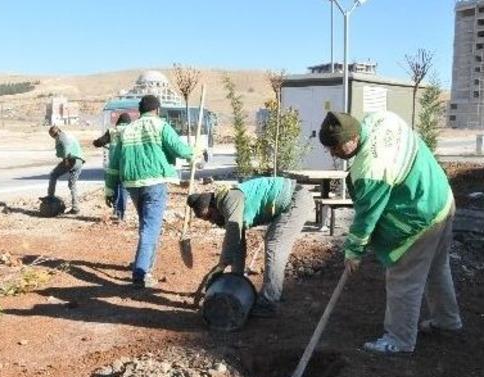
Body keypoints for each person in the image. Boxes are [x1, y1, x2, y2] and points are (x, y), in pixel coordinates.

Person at [318, 110, 462, 354]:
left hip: (420, 218)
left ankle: (399, 339)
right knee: (437, 268)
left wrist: (354, 250)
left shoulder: (370, 168)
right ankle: (447, 321)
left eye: (336, 147)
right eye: (329, 149)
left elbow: (367, 216)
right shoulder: (382, 119)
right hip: (442, 200)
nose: (333, 153)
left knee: (403, 278)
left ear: (352, 138)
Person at [187, 176, 314, 317]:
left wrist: (221, 266)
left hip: (295, 200)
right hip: (292, 201)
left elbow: (233, 234)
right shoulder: (225, 210)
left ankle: (269, 301)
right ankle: (272, 293)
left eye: (210, 215)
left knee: (274, 243)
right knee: (271, 241)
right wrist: (235, 280)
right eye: (207, 219)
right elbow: (238, 245)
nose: (212, 220)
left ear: (213, 204)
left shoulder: (230, 198)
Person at [107, 95, 193, 288]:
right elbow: (180, 150)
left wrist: (109, 189)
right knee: (150, 228)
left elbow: (114, 163)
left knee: (146, 225)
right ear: (158, 110)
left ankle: (145, 263)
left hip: (132, 184)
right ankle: (140, 273)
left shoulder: (127, 130)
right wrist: (194, 153)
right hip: (155, 182)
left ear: (140, 111)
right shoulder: (161, 125)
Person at [93, 112, 132, 221]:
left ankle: (115, 209)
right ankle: (121, 214)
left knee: (113, 186)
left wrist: (95, 143)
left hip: (114, 165)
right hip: (127, 164)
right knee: (123, 188)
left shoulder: (112, 131)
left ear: (119, 121)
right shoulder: (131, 130)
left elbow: (99, 142)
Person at [46, 125, 84, 214]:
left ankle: (50, 197)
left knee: (53, 175)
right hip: (79, 161)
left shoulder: (61, 136)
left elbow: (66, 147)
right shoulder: (69, 135)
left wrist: (66, 159)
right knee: (72, 184)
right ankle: (75, 208)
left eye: (54, 135)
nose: (54, 137)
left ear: (58, 131)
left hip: (71, 160)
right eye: (53, 136)